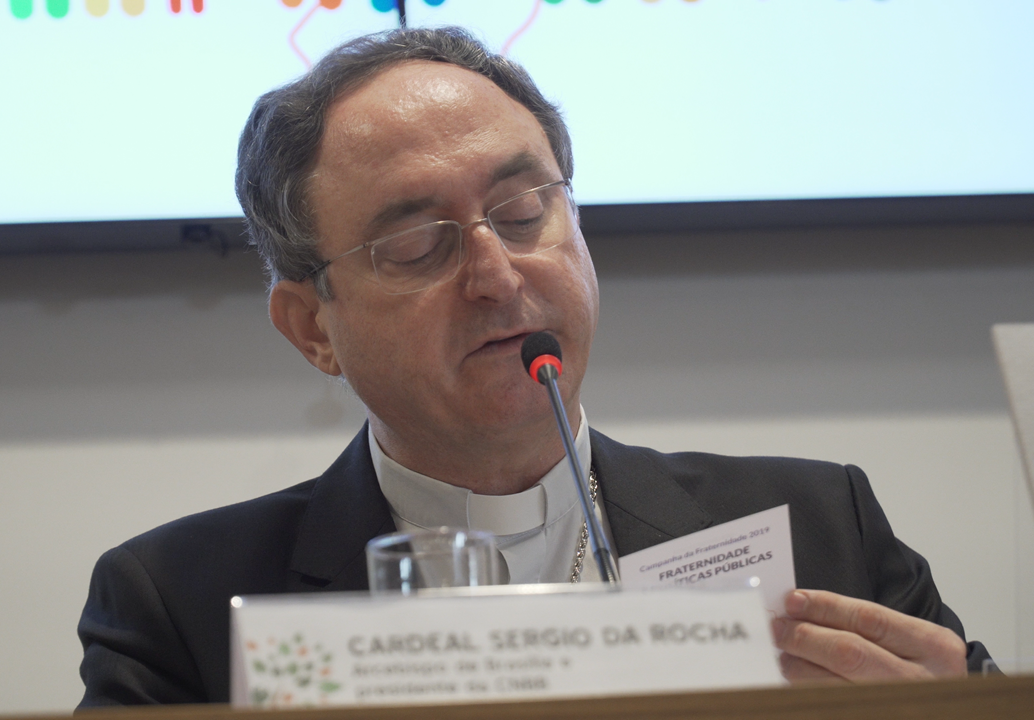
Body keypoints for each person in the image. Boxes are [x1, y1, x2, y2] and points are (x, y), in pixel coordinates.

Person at [77, 27, 989, 706]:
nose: (495, 275)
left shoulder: (819, 530)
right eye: (415, 244)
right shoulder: (182, 604)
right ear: (312, 327)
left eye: (523, 213)